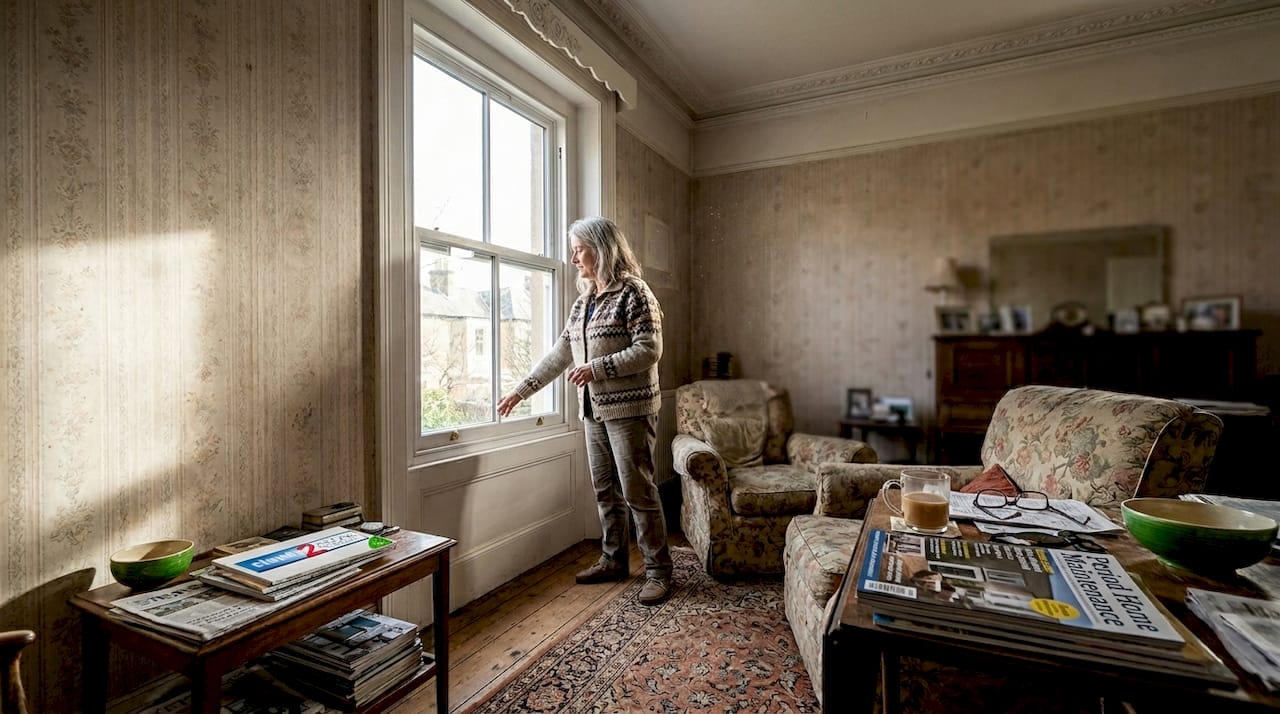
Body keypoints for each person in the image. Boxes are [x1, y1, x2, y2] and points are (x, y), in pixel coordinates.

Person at [497, 216, 673, 605]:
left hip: (630, 410)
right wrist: (521, 391)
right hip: (593, 411)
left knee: (638, 491)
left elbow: (649, 349)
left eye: (579, 249)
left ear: (601, 248)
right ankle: (613, 560)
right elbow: (561, 353)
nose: (574, 258)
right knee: (605, 489)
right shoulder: (584, 303)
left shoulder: (635, 293)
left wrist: (598, 368)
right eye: (573, 250)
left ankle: (659, 571)